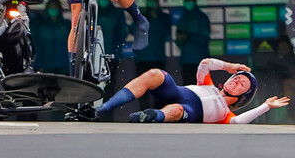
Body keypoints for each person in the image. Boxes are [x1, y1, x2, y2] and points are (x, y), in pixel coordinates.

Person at [94, 58, 290, 123]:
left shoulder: (226, 115)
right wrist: (227, 65)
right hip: (174, 92)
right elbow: (205, 64)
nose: (237, 80)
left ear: (242, 96)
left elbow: (238, 122)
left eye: (242, 85)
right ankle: (103, 108)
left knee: (177, 110)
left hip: (182, 110)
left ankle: (147, 116)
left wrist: (265, 106)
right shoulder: (208, 84)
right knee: (155, 73)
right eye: (236, 77)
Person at [175, 0, 210, 84]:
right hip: (186, 60)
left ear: (195, 1)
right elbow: (178, 39)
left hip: (200, 60)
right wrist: (179, 40)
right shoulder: (183, 18)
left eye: (190, 0)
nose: (188, 2)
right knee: (188, 89)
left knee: (202, 89)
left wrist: (188, 36)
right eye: (186, 0)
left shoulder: (202, 17)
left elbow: (204, 38)